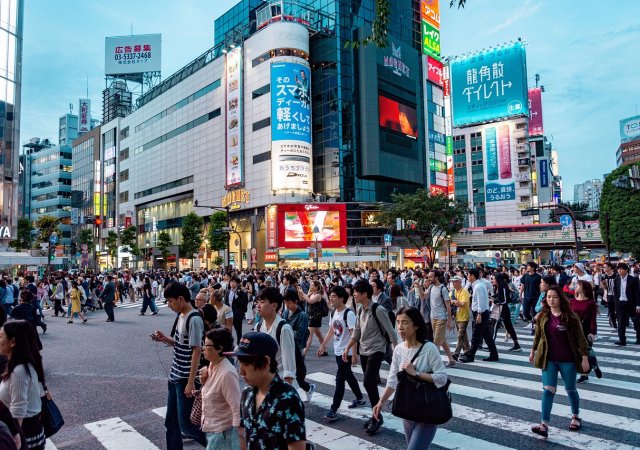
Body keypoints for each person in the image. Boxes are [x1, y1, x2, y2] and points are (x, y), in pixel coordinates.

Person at [373, 306, 447, 449]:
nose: (400, 327)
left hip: (428, 410)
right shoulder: (399, 350)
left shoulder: (429, 349)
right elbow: (392, 379)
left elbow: (442, 378)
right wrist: (380, 402)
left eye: (405, 322)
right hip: (408, 408)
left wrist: (416, 373)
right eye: (398, 322)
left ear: (416, 325)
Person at [151, 282, 207, 449]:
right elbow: (181, 344)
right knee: (171, 423)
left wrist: (191, 382)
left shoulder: (194, 318)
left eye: (170, 301)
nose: (169, 305)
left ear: (181, 299)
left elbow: (197, 350)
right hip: (175, 376)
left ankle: (216, 445)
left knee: (187, 425)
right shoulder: (181, 316)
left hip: (185, 378)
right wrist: (164, 339)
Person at [529, 286, 590, 438]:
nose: (551, 300)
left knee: (570, 389)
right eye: (548, 297)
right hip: (548, 359)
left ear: (560, 299)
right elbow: (538, 335)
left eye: (554, 297)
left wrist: (584, 357)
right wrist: (533, 350)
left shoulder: (571, 316)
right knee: (548, 390)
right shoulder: (543, 315)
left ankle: (575, 416)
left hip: (567, 359)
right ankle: (544, 425)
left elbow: (581, 339)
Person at [231, 332, 307, 450]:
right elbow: (244, 435)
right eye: (239, 362)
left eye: (246, 364)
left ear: (266, 362)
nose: (241, 371)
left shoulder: (287, 399)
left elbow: (297, 447)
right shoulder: (247, 394)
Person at [343, 280, 397, 435]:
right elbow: (357, 332)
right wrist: (348, 349)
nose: (353, 294)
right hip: (364, 350)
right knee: (370, 383)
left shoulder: (378, 309)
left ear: (364, 294)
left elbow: (391, 331)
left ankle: (377, 416)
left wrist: (397, 351)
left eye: (355, 292)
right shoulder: (360, 310)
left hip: (377, 349)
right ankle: (376, 414)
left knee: (368, 382)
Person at [318, 286, 365, 422]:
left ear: (341, 298)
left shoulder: (348, 314)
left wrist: (354, 354)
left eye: (333, 296)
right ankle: (360, 398)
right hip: (338, 350)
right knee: (348, 375)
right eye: (330, 296)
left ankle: (333, 410)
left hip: (347, 352)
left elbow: (354, 335)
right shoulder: (334, 313)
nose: (330, 299)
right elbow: (332, 331)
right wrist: (323, 345)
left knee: (340, 379)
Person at [0, 321, 46, 450]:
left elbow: (18, 409)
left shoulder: (19, 371)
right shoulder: (17, 365)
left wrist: (16, 440)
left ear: (13, 342)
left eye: (0, 336)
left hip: (24, 434)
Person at [199, 327, 242, 450]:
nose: (203, 348)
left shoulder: (227, 374)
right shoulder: (212, 365)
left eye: (207, 345)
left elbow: (236, 408)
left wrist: (236, 440)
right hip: (212, 430)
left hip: (223, 434)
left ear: (220, 348)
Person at [459, 269, 499, 363]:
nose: (467, 277)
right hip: (481, 312)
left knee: (476, 335)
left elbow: (481, 301)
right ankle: (494, 354)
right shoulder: (478, 285)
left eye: (468, 275)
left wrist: (479, 314)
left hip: (480, 313)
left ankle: (470, 355)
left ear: (472, 276)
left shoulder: (478, 286)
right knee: (487, 335)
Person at [571, 280, 600, 383]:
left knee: (585, 352)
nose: (576, 286)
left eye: (578, 285)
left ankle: (584, 374)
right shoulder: (572, 301)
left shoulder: (590, 303)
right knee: (577, 352)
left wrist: (593, 332)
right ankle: (594, 364)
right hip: (574, 330)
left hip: (586, 330)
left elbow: (593, 319)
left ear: (583, 288)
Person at [426, 270, 455, 367]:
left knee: (436, 343)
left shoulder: (443, 289)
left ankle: (433, 366)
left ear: (436, 278)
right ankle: (451, 360)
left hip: (441, 318)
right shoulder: (431, 287)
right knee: (442, 341)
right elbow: (423, 297)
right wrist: (418, 287)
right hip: (432, 317)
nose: (429, 278)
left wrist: (450, 320)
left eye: (430, 277)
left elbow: (448, 306)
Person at [612, 262, 640, 346]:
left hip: (631, 304)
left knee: (637, 322)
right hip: (621, 303)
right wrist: (616, 305)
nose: (619, 271)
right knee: (621, 323)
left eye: (621, 269)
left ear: (626, 270)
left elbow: (637, 293)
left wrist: (638, 305)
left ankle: (639, 338)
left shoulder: (633, 279)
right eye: (618, 269)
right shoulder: (616, 279)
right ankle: (622, 340)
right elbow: (615, 292)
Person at [492, 273, 520, 351]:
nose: (493, 280)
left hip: (503, 309)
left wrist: (495, 301)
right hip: (501, 309)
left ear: (498, 280)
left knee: (495, 326)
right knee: (508, 327)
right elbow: (498, 297)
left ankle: (491, 344)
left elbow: (504, 300)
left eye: (494, 279)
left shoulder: (503, 287)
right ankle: (517, 345)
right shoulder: (499, 287)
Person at [298, 281, 326, 357]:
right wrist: (300, 292)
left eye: (312, 285)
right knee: (319, 334)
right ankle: (324, 349)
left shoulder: (318, 295)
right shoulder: (311, 294)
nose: (310, 286)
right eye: (310, 285)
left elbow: (310, 301)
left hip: (315, 317)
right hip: (312, 316)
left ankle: (303, 354)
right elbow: (302, 299)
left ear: (317, 287)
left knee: (309, 335)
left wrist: (303, 293)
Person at [450, 276, 470, 360]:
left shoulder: (464, 292)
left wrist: (454, 302)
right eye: (453, 282)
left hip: (464, 316)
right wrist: (455, 302)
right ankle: (467, 350)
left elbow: (463, 304)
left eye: (455, 282)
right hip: (456, 316)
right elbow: (449, 301)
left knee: (460, 335)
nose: (454, 283)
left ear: (460, 282)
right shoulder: (453, 292)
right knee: (463, 335)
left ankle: (456, 353)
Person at [226, 277, 248, 345]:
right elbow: (226, 302)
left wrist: (236, 296)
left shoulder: (241, 292)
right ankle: (229, 345)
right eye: (231, 282)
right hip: (228, 314)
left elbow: (243, 303)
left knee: (238, 331)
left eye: (234, 282)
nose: (232, 284)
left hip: (237, 314)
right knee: (228, 331)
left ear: (237, 284)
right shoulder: (228, 292)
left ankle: (239, 346)